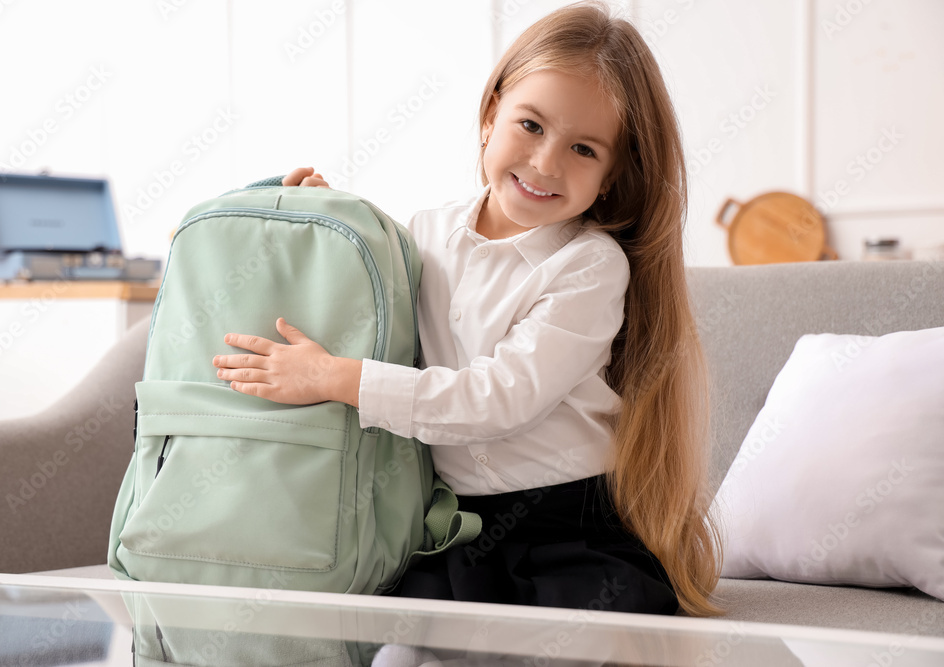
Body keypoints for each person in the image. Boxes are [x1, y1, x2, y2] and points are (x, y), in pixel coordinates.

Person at [212, 0, 722, 618]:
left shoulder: (590, 266)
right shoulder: (423, 234)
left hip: (567, 528)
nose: (544, 163)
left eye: (584, 149)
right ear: (489, 116)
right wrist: (324, 218)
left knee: (582, 640)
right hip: (456, 529)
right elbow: (366, 296)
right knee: (391, 640)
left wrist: (334, 378)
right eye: (530, 126)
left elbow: (498, 399)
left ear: (612, 175)